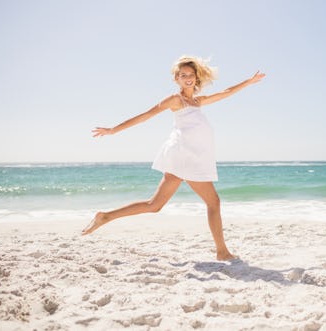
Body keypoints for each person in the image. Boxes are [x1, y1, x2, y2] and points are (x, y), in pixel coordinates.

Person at [81, 56, 265, 260]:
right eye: (183, 75)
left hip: (187, 157)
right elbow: (146, 115)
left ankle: (105, 216)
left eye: (191, 75)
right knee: (213, 202)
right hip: (185, 156)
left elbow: (226, 93)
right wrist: (114, 130)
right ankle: (222, 252)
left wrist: (248, 82)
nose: (188, 78)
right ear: (176, 78)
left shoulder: (197, 101)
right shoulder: (176, 100)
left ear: (196, 78)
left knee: (154, 205)